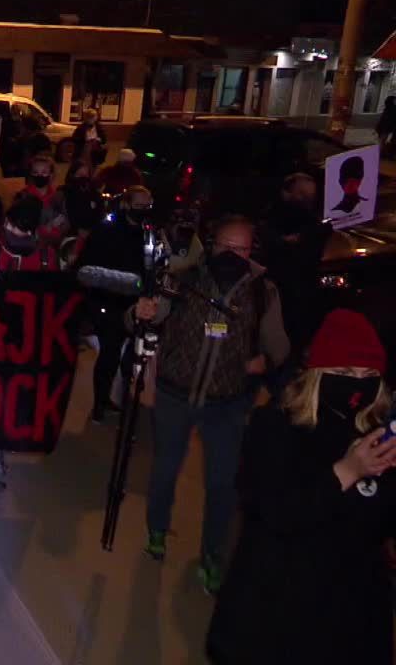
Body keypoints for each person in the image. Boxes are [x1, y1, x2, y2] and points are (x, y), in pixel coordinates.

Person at [207, 309, 394, 664]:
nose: (357, 383)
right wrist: (348, 471)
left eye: (367, 374)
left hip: (346, 621)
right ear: (317, 374)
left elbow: (379, 529)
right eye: (343, 372)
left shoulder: (376, 435)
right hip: (276, 609)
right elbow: (275, 512)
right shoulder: (276, 426)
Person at [134, 215, 290, 594]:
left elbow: (280, 347)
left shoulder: (262, 293)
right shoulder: (184, 279)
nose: (232, 254)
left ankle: (211, 555)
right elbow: (146, 319)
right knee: (165, 470)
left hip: (227, 405)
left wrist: (264, 363)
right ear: (212, 244)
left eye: (241, 248)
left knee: (222, 485)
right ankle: (157, 530)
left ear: (252, 251)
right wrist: (142, 314)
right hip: (175, 395)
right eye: (225, 245)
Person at [0, 195, 61, 492]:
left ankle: (4, 440)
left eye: (21, 228)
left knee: (14, 399)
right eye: (11, 224)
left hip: (27, 345)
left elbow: (55, 303)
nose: (13, 231)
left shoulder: (47, 258)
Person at [79, 186, 155, 425]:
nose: (143, 210)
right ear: (126, 204)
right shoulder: (108, 230)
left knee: (131, 356)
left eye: (147, 205)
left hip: (135, 304)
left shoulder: (147, 233)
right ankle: (100, 404)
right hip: (110, 303)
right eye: (138, 205)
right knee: (109, 355)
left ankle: (122, 399)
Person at [256, 173, 333, 357]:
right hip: (276, 298)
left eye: (309, 197)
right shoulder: (271, 222)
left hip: (302, 300)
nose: (305, 201)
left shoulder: (312, 226)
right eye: (301, 194)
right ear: (286, 193)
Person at [19, 154, 68, 247]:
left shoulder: (59, 197)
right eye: (35, 172)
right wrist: (45, 229)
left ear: (51, 175)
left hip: (56, 245)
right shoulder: (23, 196)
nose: (40, 175)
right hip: (32, 246)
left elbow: (66, 223)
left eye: (44, 172)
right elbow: (20, 226)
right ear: (30, 174)